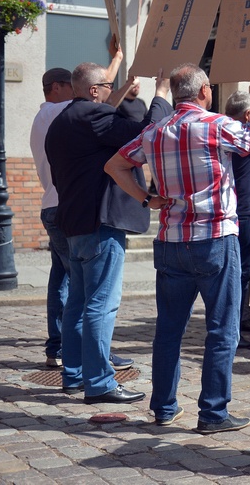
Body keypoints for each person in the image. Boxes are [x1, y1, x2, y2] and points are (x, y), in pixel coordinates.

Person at [105, 65, 250, 431]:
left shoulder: (155, 131)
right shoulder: (215, 125)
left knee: (169, 330)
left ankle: (163, 407)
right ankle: (213, 412)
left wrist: (147, 199)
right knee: (222, 330)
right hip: (215, 238)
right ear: (204, 91)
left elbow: (114, 165)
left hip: (172, 241)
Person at [46, 62, 172, 403]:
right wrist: (159, 93)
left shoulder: (62, 122)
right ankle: (100, 382)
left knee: (77, 302)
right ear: (93, 90)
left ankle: (73, 375)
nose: (110, 90)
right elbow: (148, 131)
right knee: (101, 304)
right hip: (99, 222)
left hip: (73, 222)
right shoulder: (94, 118)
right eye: (107, 85)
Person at [29, 68, 74, 369]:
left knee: (61, 278)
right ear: (56, 87)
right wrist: (119, 61)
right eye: (72, 86)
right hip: (65, 206)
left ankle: (56, 347)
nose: (77, 92)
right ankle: (84, 351)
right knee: (83, 283)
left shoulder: (40, 118)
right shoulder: (60, 111)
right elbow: (93, 98)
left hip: (51, 205)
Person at [224, 91, 250, 350]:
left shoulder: (228, 130)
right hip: (247, 211)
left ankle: (240, 319)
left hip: (246, 208)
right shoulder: (244, 131)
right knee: (242, 272)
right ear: (248, 115)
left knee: (242, 271)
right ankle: (234, 328)